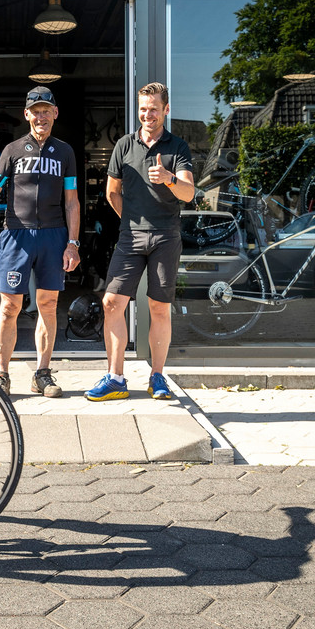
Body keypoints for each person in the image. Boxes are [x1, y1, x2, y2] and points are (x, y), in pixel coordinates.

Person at [86, 82, 195, 402]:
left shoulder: (178, 148)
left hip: (166, 236)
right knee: (111, 303)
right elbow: (111, 191)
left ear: (166, 110)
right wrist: (129, 221)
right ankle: (116, 377)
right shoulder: (124, 144)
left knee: (159, 307)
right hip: (130, 237)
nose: (147, 114)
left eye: (153, 108)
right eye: (143, 108)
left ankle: (157, 377)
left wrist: (169, 178)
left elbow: (188, 193)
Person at [0, 86, 80, 399]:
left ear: (55, 114)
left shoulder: (65, 152)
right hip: (16, 235)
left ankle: (42, 374)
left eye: (47, 110)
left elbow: (71, 201)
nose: (41, 116)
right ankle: (2, 374)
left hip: (53, 234)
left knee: (48, 304)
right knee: (10, 306)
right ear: (27, 115)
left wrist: (73, 243)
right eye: (36, 111)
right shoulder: (12, 150)